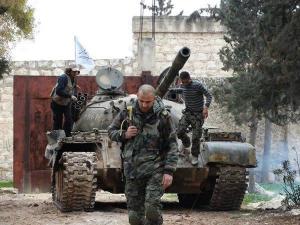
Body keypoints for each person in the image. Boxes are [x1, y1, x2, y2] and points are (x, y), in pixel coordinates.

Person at [108, 84, 178, 225]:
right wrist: (124, 134)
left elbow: (172, 145)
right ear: (137, 97)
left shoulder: (163, 116)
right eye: (142, 101)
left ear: (154, 99)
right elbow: (111, 131)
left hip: (155, 169)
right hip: (132, 170)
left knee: (152, 209)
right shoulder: (127, 112)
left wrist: (169, 171)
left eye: (148, 101)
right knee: (134, 217)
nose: (145, 105)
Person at [170, 71, 212, 165]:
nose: (184, 84)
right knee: (180, 131)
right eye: (183, 82)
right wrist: (172, 91)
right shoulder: (182, 85)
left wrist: (206, 108)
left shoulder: (198, 85)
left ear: (189, 78)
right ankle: (186, 143)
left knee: (196, 137)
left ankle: (194, 155)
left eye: (186, 82)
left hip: (198, 115)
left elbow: (209, 96)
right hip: (188, 113)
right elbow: (180, 90)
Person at [50, 64, 80, 137]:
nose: (75, 73)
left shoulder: (74, 78)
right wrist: (70, 96)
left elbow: (69, 87)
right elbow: (59, 91)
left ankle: (66, 135)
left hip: (66, 103)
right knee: (58, 121)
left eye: (76, 72)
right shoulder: (63, 78)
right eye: (74, 71)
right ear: (69, 71)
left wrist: (75, 87)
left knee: (69, 119)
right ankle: (57, 138)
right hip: (57, 103)